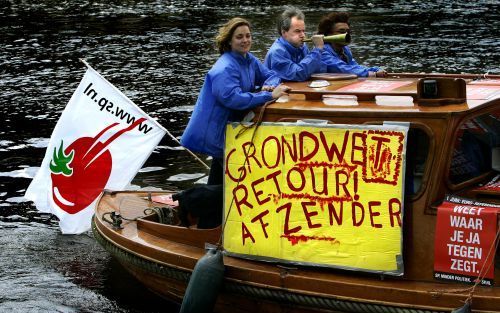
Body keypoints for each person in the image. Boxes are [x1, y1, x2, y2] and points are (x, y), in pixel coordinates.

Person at [169, 17, 289, 229]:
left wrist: (268, 86)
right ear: (229, 41)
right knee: (236, 185)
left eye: (248, 36)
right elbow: (232, 98)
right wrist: (267, 96)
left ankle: (208, 226)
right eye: (239, 37)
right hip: (214, 133)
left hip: (230, 132)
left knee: (220, 181)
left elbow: (271, 76)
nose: (245, 40)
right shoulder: (224, 67)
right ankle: (188, 198)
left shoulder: (248, 59)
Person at [264, 6, 326, 81]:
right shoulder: (277, 52)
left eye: (303, 31)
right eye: (297, 31)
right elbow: (298, 75)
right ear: (284, 32)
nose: (303, 35)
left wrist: (320, 52)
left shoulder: (302, 46)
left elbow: (316, 70)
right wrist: (317, 50)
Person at [317, 12, 387, 78]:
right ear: (328, 34)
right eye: (341, 32)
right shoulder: (321, 51)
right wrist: (371, 74)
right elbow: (342, 68)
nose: (346, 35)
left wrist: (375, 69)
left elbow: (353, 66)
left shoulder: (344, 50)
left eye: (348, 32)